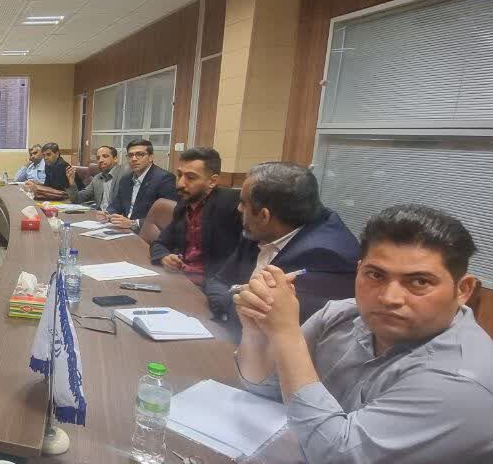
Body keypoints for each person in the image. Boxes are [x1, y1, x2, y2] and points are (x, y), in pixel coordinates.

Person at [233, 205, 493, 464]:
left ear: (462, 290)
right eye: (376, 275)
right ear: (359, 270)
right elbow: (266, 387)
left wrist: (285, 334)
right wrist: (256, 328)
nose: (390, 298)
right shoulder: (342, 316)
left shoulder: (464, 380)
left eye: (419, 282)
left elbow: (331, 455)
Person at [203, 162, 359, 329]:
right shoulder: (259, 229)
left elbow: (262, 319)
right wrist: (236, 297)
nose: (239, 209)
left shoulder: (325, 257)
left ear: (264, 216)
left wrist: (231, 299)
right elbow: (218, 281)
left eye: (243, 203)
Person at [148, 147, 241, 284]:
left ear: (212, 181)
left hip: (213, 286)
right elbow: (160, 243)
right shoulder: (183, 206)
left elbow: (242, 260)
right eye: (179, 175)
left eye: (190, 178)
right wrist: (164, 257)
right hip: (181, 279)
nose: (180, 184)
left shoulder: (233, 205)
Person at [102, 138, 176, 230]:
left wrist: (133, 223)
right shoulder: (126, 179)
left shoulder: (164, 179)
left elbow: (165, 215)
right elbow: (117, 204)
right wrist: (108, 214)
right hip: (123, 229)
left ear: (151, 157)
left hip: (146, 232)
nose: (134, 159)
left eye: (140, 154)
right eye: (130, 155)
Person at [66, 145, 127, 210]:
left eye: (105, 156)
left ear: (115, 159)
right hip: (99, 214)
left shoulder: (125, 175)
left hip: (118, 215)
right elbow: (77, 199)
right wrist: (72, 184)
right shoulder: (97, 178)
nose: (100, 160)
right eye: (98, 158)